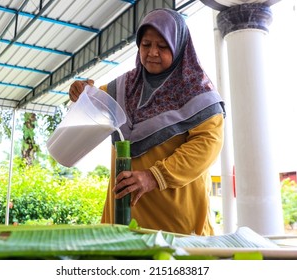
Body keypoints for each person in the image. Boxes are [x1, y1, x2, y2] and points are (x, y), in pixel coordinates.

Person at [69, 8, 225, 236]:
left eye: (162, 47)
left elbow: (206, 146)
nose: (152, 52)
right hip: (123, 217)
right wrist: (80, 91)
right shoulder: (123, 88)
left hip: (175, 222)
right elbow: (93, 103)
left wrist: (154, 176)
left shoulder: (198, 94)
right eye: (145, 45)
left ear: (179, 47)